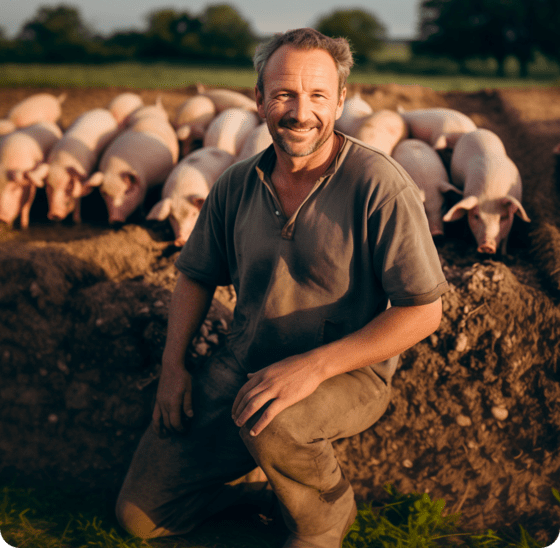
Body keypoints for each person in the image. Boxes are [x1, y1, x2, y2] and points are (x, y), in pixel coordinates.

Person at [115, 28, 448, 548]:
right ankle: (268, 496)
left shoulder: (378, 185)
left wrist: (312, 367)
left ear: (339, 101)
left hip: (347, 372)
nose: (300, 111)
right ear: (259, 99)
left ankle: (323, 520)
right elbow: (196, 274)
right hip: (241, 363)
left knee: (275, 418)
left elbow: (423, 311)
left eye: (317, 95)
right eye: (285, 94)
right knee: (144, 515)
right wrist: (173, 367)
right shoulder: (235, 183)